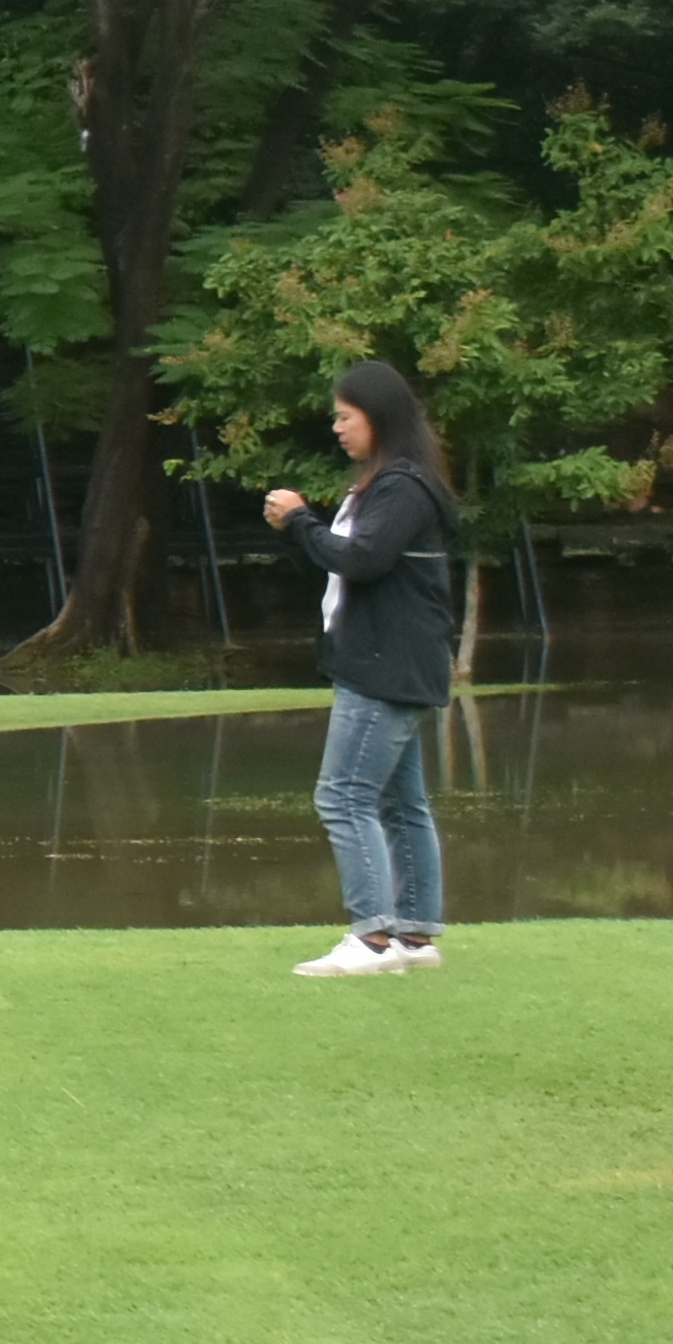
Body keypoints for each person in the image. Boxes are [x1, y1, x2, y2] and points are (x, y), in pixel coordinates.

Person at [262, 355, 459, 978]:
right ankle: (416, 939)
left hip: (386, 666)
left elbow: (362, 559)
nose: (337, 427)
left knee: (343, 796)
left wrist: (300, 518)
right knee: (401, 803)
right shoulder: (390, 484)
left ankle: (372, 940)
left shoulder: (402, 486)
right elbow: (345, 563)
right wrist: (300, 531)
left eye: (346, 416)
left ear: (379, 417)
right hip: (393, 662)